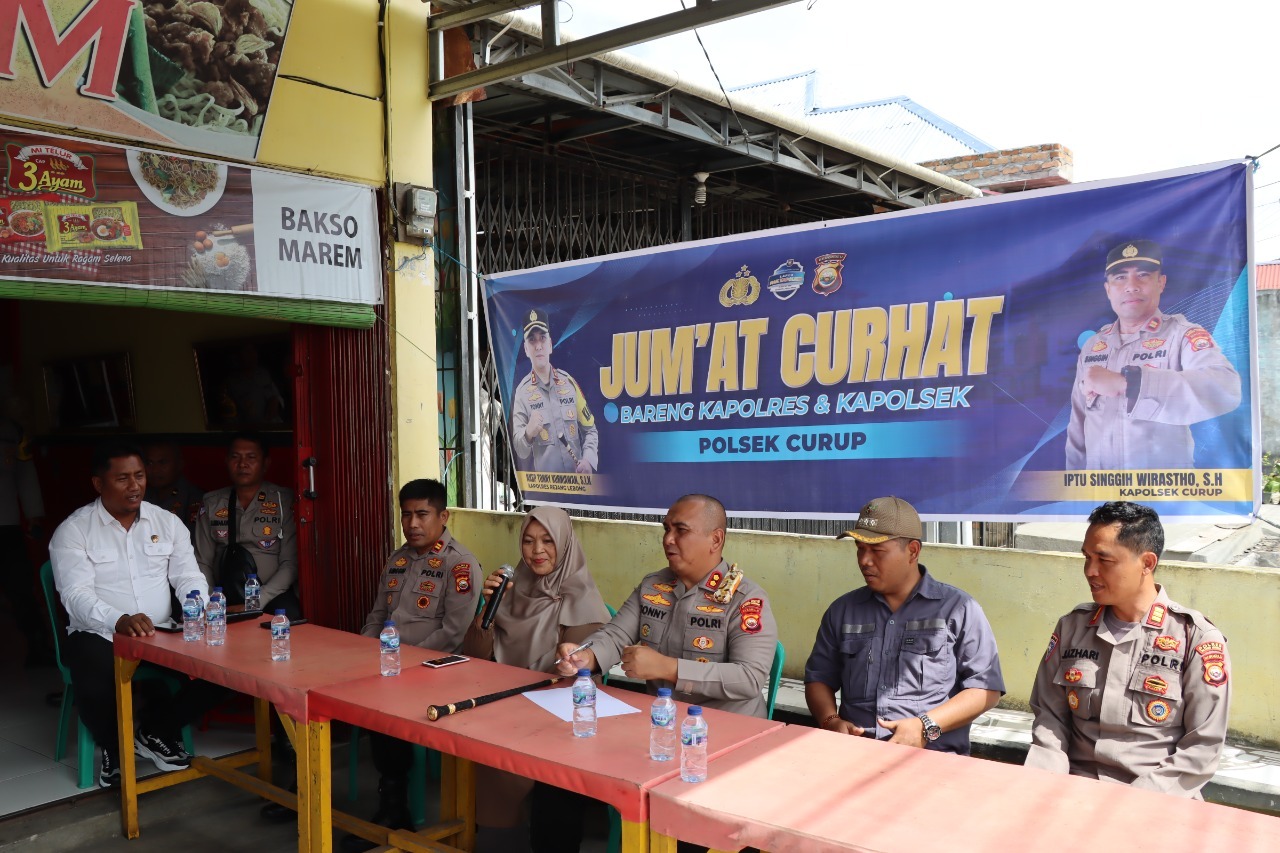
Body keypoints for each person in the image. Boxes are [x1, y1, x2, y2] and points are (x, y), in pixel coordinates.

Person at [552, 494, 776, 853]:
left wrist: (668, 668)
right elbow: (615, 635)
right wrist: (585, 656)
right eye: (666, 529)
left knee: (687, 835)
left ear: (715, 539)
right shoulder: (652, 586)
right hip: (658, 734)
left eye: (681, 530)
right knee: (559, 781)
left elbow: (750, 677)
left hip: (724, 745)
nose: (668, 539)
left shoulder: (745, 599)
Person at [48, 442, 225, 787]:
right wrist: (118, 619)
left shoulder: (166, 522)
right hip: (100, 634)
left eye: (140, 476)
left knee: (224, 668)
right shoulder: (74, 530)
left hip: (160, 633)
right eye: (123, 478)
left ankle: (157, 730)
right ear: (99, 484)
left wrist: (199, 607)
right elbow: (74, 594)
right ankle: (114, 746)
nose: (134, 486)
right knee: (91, 669)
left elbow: (188, 575)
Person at [1025, 501, 1231, 798]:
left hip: (1157, 799)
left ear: (1147, 563)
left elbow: (1202, 747)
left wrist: (1131, 804)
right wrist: (1045, 788)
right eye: (1087, 557)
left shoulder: (1195, 638)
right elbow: (1049, 719)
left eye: (1104, 560)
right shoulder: (1072, 628)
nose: (1090, 571)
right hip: (1074, 791)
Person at [341, 479, 481, 853]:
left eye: (422, 514)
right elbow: (377, 615)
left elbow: (454, 633)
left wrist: (402, 665)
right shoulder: (397, 559)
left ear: (443, 516)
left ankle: (394, 807)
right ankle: (376, 796)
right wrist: (365, 652)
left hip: (437, 672)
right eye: (406, 515)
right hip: (389, 667)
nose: (413, 524)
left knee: (386, 703)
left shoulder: (460, 564)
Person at [804, 496, 1004, 754]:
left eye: (877, 551)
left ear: (912, 551)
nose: (864, 560)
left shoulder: (958, 609)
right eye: (860, 549)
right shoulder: (842, 611)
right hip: (854, 752)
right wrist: (830, 721)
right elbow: (818, 678)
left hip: (932, 757)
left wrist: (925, 726)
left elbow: (985, 689)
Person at [462, 506, 610, 852]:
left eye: (548, 541)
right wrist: (487, 610)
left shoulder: (582, 600)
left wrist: (566, 663)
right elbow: (475, 653)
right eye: (528, 541)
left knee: (512, 760)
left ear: (565, 544)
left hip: (558, 716)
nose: (537, 550)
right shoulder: (512, 590)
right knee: (473, 738)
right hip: (506, 702)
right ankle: (498, 839)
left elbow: (578, 675)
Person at [1066, 239, 1241, 470]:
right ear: (1108, 289)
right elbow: (1078, 425)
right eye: (1120, 277)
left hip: (1162, 488)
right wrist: (1074, 485)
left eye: (1143, 275)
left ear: (1161, 282)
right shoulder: (1094, 345)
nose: (1131, 286)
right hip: (1099, 486)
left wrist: (1129, 383)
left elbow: (1226, 387)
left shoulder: (1181, 334)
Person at [193, 433, 299, 617]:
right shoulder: (212, 502)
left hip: (271, 595)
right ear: (227, 461)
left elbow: (290, 564)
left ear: (265, 463)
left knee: (290, 615)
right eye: (235, 457)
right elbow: (202, 562)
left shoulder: (283, 500)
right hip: (224, 593)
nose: (242, 464)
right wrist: (211, 601)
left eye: (251, 457)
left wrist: (256, 601)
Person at [511, 309, 599, 474]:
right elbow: (519, 450)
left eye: (542, 338)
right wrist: (528, 433)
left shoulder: (569, 384)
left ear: (550, 345)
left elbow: (590, 430)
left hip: (577, 484)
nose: (538, 346)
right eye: (532, 340)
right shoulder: (522, 393)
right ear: (526, 349)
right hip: (547, 488)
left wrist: (588, 460)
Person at [1, 405, 47, 665]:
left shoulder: (12, 430)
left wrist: (33, 515)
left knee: (20, 587)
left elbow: (26, 474)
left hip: (6, 524)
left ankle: (37, 644)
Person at [143, 441, 204, 533]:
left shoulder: (194, 497)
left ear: (179, 464)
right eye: (150, 463)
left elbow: (193, 536)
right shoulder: (142, 495)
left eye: (162, 462)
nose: (155, 470)